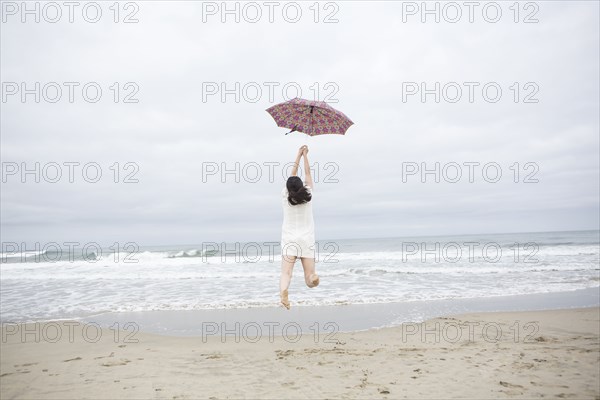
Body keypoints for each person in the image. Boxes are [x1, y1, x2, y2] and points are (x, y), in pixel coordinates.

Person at [279, 145, 319, 309]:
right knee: (308, 279)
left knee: (286, 273)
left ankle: (284, 293)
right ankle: (314, 278)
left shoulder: (285, 195)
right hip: (306, 240)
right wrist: (305, 156)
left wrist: (297, 154)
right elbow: (307, 174)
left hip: (289, 240)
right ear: (301, 186)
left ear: (288, 188)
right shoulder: (308, 194)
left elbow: (292, 176)